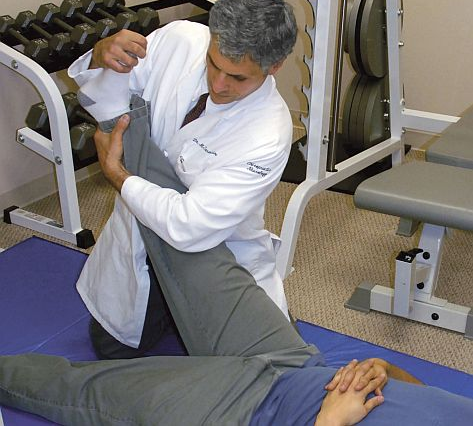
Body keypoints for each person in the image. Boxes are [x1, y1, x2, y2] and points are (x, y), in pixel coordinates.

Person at [0, 101, 472, 425]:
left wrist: (331, 419)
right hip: (296, 362)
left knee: (80, 390)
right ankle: (118, 109)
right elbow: (423, 393)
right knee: (191, 238)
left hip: (243, 411)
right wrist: (383, 369)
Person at [67, 0, 298, 359]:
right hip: (142, 234)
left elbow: (189, 227)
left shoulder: (268, 133)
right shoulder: (180, 40)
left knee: (270, 368)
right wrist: (99, 57)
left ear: (274, 66)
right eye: (214, 63)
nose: (218, 84)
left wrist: (118, 176)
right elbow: (105, 101)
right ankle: (168, 312)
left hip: (214, 251)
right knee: (110, 349)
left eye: (238, 78)